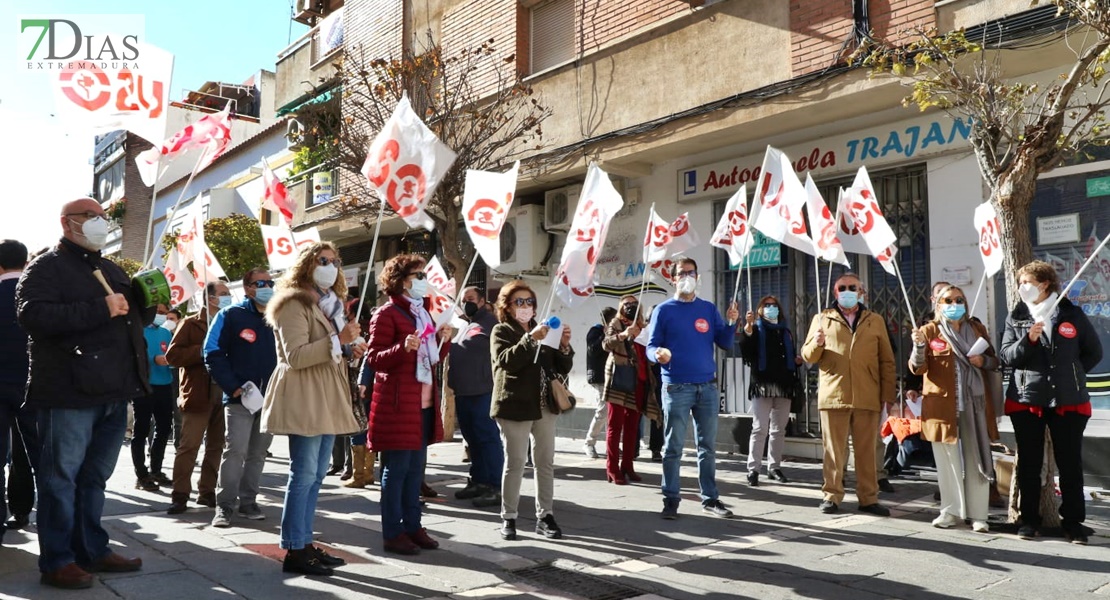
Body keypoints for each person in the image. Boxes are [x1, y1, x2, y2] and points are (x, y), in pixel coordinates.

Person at [17, 199, 150, 588]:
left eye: (103, 217)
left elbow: (131, 322)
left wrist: (145, 302)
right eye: (90, 217)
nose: (99, 223)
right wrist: (100, 307)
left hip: (114, 389)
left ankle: (92, 548)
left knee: (94, 478)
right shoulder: (46, 267)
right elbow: (33, 316)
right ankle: (58, 559)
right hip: (69, 392)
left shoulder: (110, 268)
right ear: (67, 223)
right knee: (60, 479)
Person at [261, 242, 364, 575]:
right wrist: (338, 341)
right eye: (323, 260)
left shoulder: (329, 305)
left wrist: (349, 348)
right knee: (303, 474)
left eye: (335, 261)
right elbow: (296, 356)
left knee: (316, 475)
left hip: (325, 393)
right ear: (306, 264)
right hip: (305, 394)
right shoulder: (294, 303)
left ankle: (304, 542)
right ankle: (294, 549)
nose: (331, 266)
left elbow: (330, 350)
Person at [1000, 260, 1102, 543]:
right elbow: (1006, 356)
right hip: (1028, 398)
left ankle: (1073, 522)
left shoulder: (1071, 314)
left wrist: (1069, 373)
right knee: (1030, 463)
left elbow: (1093, 353)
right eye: (1020, 283)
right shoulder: (1017, 317)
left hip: (1067, 399)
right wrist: (1028, 340)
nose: (1022, 288)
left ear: (1044, 284)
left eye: (1027, 282)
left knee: (1069, 463)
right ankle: (1028, 520)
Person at [364, 254, 452, 555]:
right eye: (418, 275)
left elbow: (431, 357)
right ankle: (393, 532)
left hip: (423, 404)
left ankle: (413, 526)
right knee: (396, 471)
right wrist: (402, 348)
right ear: (401, 280)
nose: (423, 281)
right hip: (400, 405)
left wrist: (444, 340)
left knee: (416, 473)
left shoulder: (423, 313)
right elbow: (374, 358)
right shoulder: (387, 314)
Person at [646, 256, 739, 520]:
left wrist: (731, 323)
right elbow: (650, 348)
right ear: (673, 278)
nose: (687, 276)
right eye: (681, 273)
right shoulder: (663, 311)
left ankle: (710, 499)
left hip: (707, 387)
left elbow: (725, 342)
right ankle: (671, 499)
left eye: (691, 272)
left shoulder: (708, 309)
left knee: (707, 447)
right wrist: (659, 354)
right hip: (676, 386)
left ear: (698, 277)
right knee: (673, 447)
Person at [801, 272, 894, 517]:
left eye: (853, 287)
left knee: (866, 451)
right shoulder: (822, 319)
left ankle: (868, 498)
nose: (847, 291)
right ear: (835, 292)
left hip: (867, 394)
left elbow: (886, 360)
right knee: (834, 450)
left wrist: (888, 396)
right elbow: (808, 356)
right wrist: (817, 343)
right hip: (834, 395)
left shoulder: (875, 320)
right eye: (842, 287)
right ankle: (831, 495)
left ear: (862, 291)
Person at [909, 284, 1000, 533]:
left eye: (959, 300)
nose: (954, 305)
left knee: (977, 456)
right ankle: (949, 512)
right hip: (941, 406)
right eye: (948, 300)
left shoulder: (976, 328)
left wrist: (983, 360)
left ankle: (979, 514)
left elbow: (994, 361)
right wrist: (918, 346)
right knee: (946, 460)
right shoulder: (929, 331)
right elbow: (917, 368)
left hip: (976, 404)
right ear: (938, 305)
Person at [490, 281, 574, 540]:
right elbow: (506, 362)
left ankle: (545, 516)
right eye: (519, 302)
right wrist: (530, 339)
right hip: (515, 405)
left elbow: (562, 366)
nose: (526, 307)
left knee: (544, 462)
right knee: (515, 463)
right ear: (507, 306)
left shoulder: (545, 329)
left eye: (529, 302)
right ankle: (509, 517)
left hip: (544, 405)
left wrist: (564, 345)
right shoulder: (501, 330)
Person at [204, 267, 278, 528]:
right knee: (235, 451)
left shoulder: (277, 316)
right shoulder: (230, 315)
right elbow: (212, 352)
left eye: (270, 282)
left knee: (258, 454)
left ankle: (249, 502)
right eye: (260, 283)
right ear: (247, 288)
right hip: (239, 399)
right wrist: (232, 386)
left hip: (269, 400)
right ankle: (224, 506)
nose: (267, 287)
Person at [164, 282, 231, 514]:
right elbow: (172, 356)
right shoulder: (190, 324)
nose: (228, 297)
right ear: (210, 298)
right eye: (223, 294)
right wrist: (202, 349)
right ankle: (180, 494)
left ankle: (207, 492)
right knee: (189, 446)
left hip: (224, 394)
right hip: (198, 394)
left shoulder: (229, 323)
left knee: (216, 446)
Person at [449, 286, 504, 508]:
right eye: (464, 300)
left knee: (487, 439)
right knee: (473, 440)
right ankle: (479, 480)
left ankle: (495, 486)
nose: (466, 303)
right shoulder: (467, 324)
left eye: (471, 299)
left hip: (482, 391)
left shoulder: (492, 324)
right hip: (464, 392)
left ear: (482, 301)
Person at [739, 295, 802, 486]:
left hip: (784, 385)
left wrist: (796, 360)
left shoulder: (785, 331)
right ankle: (753, 469)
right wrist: (747, 330)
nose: (770, 308)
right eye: (766, 305)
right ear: (760, 309)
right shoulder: (756, 328)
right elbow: (747, 352)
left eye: (774, 305)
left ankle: (774, 467)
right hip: (763, 384)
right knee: (759, 428)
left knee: (778, 429)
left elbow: (788, 356)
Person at [601, 296, 661, 485]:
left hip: (639, 380)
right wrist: (624, 334)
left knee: (632, 427)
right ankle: (612, 468)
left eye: (634, 305)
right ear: (621, 307)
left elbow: (647, 352)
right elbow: (606, 344)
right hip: (620, 379)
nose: (630, 307)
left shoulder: (643, 326)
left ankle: (627, 465)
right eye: (626, 304)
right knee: (615, 425)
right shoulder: (616, 322)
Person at [1, 239, 36, 543]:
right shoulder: (37, 295)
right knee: (36, 455)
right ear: (26, 263)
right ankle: (27, 510)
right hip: (34, 385)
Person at [132, 303, 175, 491]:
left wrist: (171, 360)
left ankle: (156, 469)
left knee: (164, 428)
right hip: (143, 386)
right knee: (141, 430)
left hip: (165, 384)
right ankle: (141, 474)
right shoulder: (137, 330)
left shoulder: (166, 333)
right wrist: (153, 359)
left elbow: (172, 355)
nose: (162, 315)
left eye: (165, 312)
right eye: (158, 312)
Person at [583, 307, 617, 459]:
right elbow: (593, 350)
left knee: (612, 413)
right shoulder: (595, 331)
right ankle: (589, 443)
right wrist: (604, 335)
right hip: (599, 377)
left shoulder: (615, 332)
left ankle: (611, 445)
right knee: (602, 411)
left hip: (613, 376)